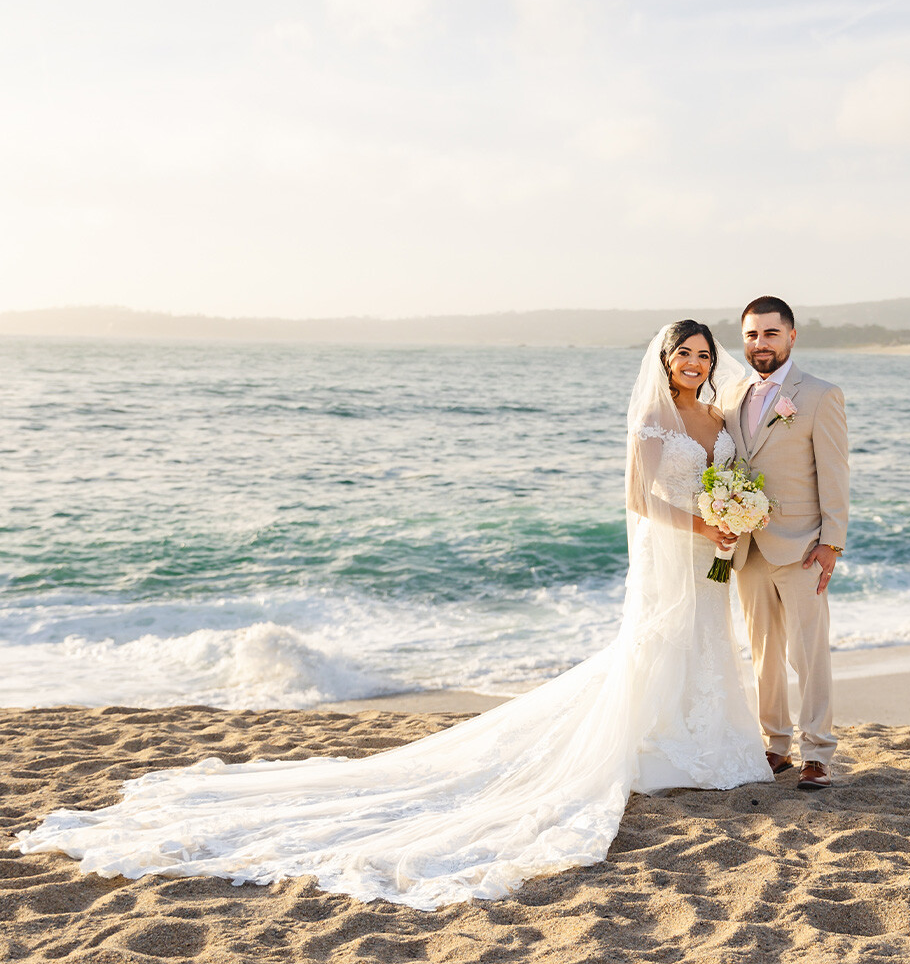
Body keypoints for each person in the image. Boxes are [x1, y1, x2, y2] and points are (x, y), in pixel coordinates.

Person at [15, 321, 772, 910]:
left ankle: (700, 742)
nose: (697, 365)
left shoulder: (716, 420)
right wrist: (700, 525)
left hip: (708, 553)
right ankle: (653, 747)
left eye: (706, 355)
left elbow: (731, 474)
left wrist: (731, 518)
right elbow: (640, 501)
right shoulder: (648, 423)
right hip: (671, 549)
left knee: (703, 641)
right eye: (687, 355)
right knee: (653, 642)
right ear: (666, 359)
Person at [722, 297, 850, 790]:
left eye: (770, 334)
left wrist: (831, 543)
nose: (760, 344)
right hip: (747, 547)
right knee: (763, 652)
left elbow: (835, 475)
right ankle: (775, 746)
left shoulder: (819, 395)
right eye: (752, 335)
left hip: (801, 546)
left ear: (791, 336)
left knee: (809, 651)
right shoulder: (731, 396)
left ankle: (818, 751)